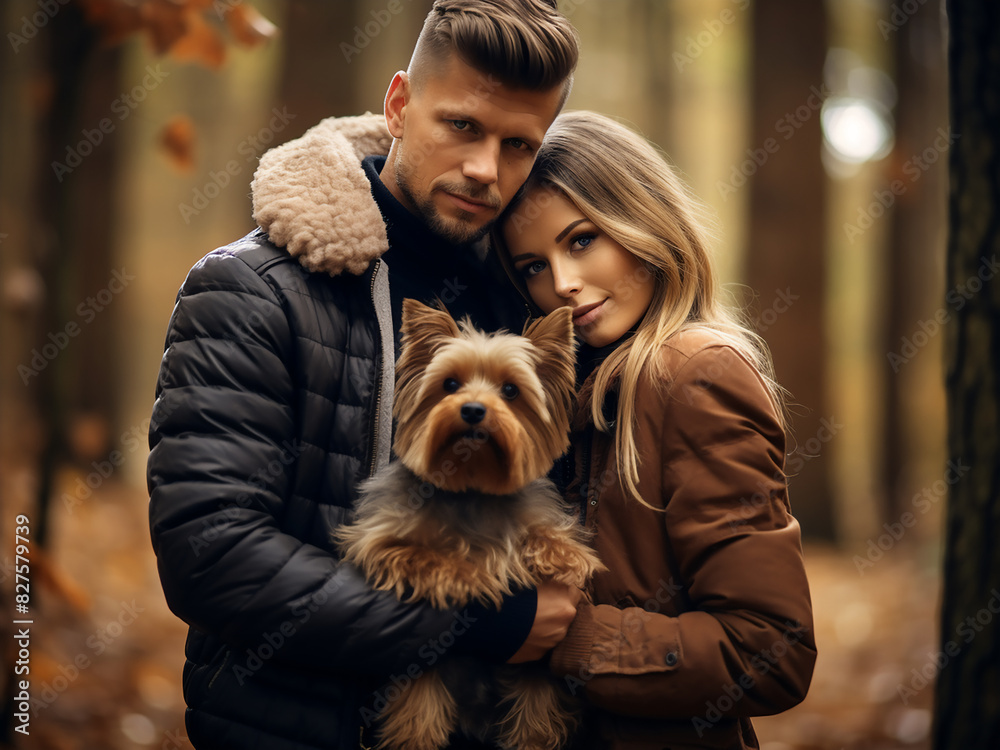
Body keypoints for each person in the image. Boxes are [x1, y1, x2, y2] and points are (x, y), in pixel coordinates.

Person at [146, 2, 582, 748]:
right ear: (400, 104)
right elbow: (213, 556)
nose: (486, 170)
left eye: (519, 145)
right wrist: (479, 623)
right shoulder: (253, 291)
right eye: (464, 127)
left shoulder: (531, 297)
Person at [496, 110, 817, 749]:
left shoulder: (694, 373)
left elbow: (771, 650)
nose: (561, 283)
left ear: (642, 222)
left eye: (581, 240)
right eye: (533, 265)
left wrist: (569, 636)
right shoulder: (572, 388)